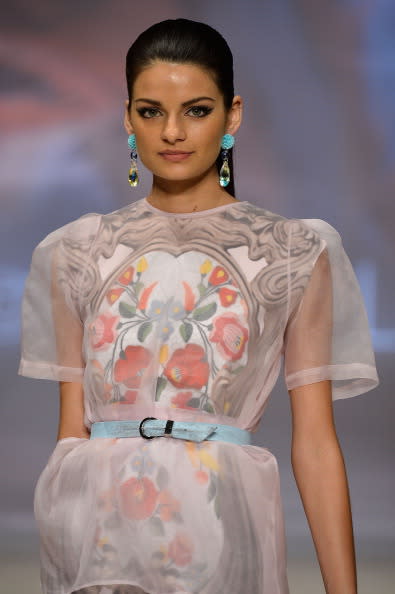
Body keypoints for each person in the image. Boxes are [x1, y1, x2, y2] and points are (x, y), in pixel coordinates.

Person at [18, 18, 379, 594]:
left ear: (233, 115)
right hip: (97, 538)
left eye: (197, 109)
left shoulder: (292, 250)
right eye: (151, 110)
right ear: (128, 117)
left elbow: (314, 441)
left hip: (220, 529)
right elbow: (73, 433)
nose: (173, 132)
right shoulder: (78, 250)